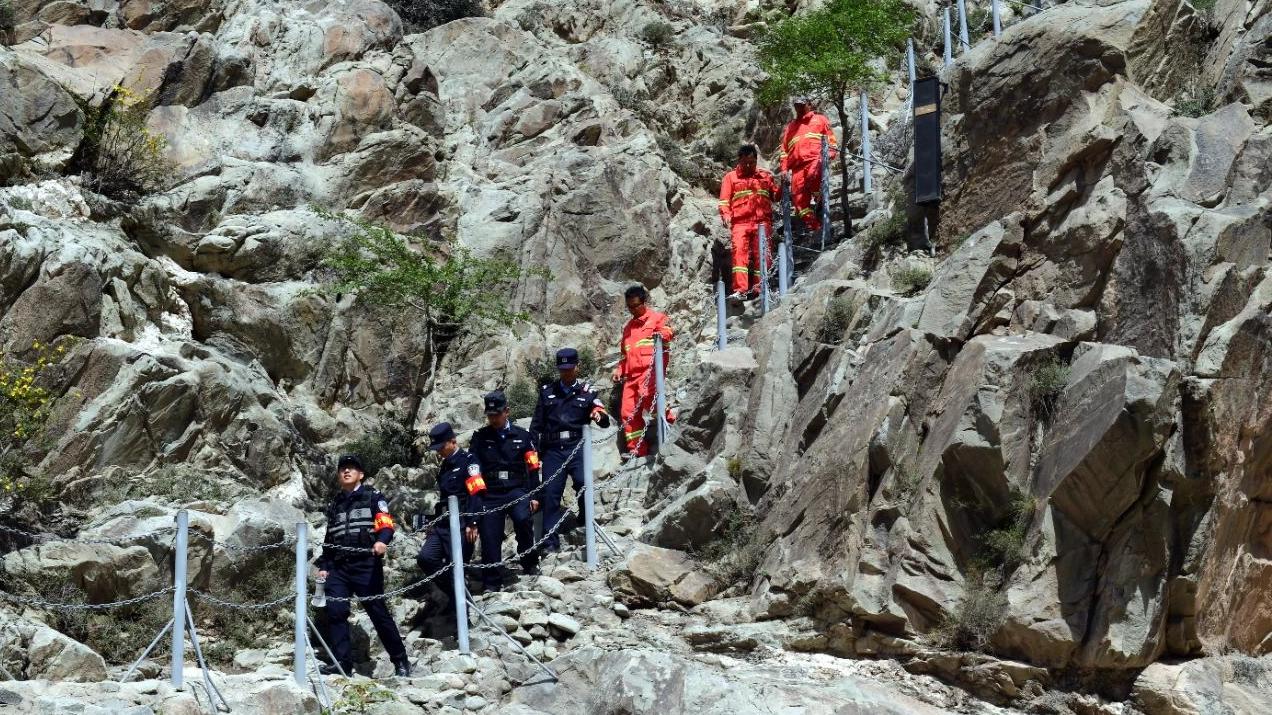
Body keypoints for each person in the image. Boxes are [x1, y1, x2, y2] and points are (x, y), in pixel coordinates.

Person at [315, 454, 411, 677]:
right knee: (336, 612)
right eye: (343, 469)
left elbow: (386, 525)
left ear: (361, 474)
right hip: (338, 567)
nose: (346, 471)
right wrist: (325, 565)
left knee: (377, 612)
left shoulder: (373, 497)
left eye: (351, 468)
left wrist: (382, 541)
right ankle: (342, 664)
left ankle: (401, 660)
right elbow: (330, 538)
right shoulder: (335, 504)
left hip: (365, 565)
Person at [531, 348, 610, 553]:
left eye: (569, 368)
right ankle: (550, 542)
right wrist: (534, 452)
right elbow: (536, 425)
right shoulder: (547, 392)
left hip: (577, 447)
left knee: (583, 482)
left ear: (577, 367)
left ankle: (585, 519)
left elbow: (603, 418)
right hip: (553, 450)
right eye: (562, 369)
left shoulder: (587, 392)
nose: (566, 372)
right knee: (550, 493)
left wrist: (599, 415)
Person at [470, 391, 541, 590]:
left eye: (497, 414)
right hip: (490, 492)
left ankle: (529, 562)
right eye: (490, 415)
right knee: (490, 534)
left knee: (523, 519)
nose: (493, 419)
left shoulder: (523, 436)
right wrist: (477, 501)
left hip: (516, 489)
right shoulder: (480, 438)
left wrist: (535, 495)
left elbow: (533, 468)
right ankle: (492, 581)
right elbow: (473, 470)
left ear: (507, 411)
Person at [415, 423, 485, 624]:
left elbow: (476, 493)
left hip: (462, 522)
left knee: (457, 565)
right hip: (443, 524)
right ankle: (456, 595)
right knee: (426, 558)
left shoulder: (469, 462)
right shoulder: (445, 466)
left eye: (441, 447)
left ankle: (462, 615)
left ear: (452, 441)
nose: (438, 452)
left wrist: (473, 521)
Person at [610, 286, 673, 459]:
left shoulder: (657, 318)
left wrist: (661, 335)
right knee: (627, 413)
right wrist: (619, 370)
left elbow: (668, 333)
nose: (633, 310)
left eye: (636, 305)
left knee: (649, 399)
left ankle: (672, 423)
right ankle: (637, 451)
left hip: (650, 371)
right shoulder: (628, 328)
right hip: (631, 377)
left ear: (644, 302)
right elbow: (625, 355)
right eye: (629, 307)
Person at [718, 144, 779, 300]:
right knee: (739, 253)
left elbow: (776, 196)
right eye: (745, 163)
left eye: (752, 163)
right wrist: (726, 215)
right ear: (739, 161)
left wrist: (784, 185)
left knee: (763, 254)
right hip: (740, 223)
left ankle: (762, 288)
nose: (748, 166)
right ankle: (741, 290)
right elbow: (724, 201)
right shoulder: (730, 177)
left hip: (763, 222)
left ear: (756, 160)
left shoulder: (765, 176)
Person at [779, 95, 838, 235]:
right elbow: (784, 151)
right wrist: (784, 169)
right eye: (796, 106)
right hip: (797, 168)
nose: (798, 108)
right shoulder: (791, 127)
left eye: (801, 105)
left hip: (815, 160)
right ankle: (817, 228)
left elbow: (831, 140)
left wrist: (830, 154)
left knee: (813, 176)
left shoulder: (820, 119)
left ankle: (820, 201)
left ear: (809, 105)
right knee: (799, 204)